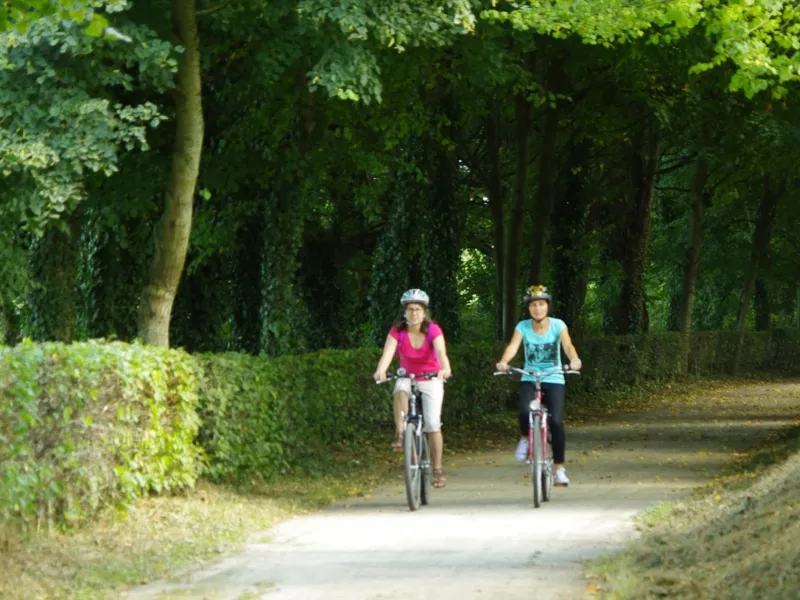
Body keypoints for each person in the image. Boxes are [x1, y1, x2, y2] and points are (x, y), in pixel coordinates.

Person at [495, 285, 582, 487]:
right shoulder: (523, 327)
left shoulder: (558, 325)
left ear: (547, 306)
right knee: (524, 412)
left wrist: (574, 359)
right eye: (533, 305)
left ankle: (559, 469)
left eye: (541, 304)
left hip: (554, 377)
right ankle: (526, 438)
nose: (537, 308)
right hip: (530, 377)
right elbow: (513, 346)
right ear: (528, 308)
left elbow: (567, 345)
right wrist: (504, 361)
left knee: (556, 422)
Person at [374, 288, 453, 489]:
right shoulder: (397, 331)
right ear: (404, 312)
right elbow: (387, 354)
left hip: (430, 378)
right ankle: (401, 433)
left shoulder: (433, 330)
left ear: (424, 312)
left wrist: (445, 369)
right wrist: (381, 371)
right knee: (400, 388)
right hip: (407, 376)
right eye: (410, 309)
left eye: (418, 309)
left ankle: (437, 469)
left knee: (432, 425)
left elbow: (441, 352)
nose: (414, 313)